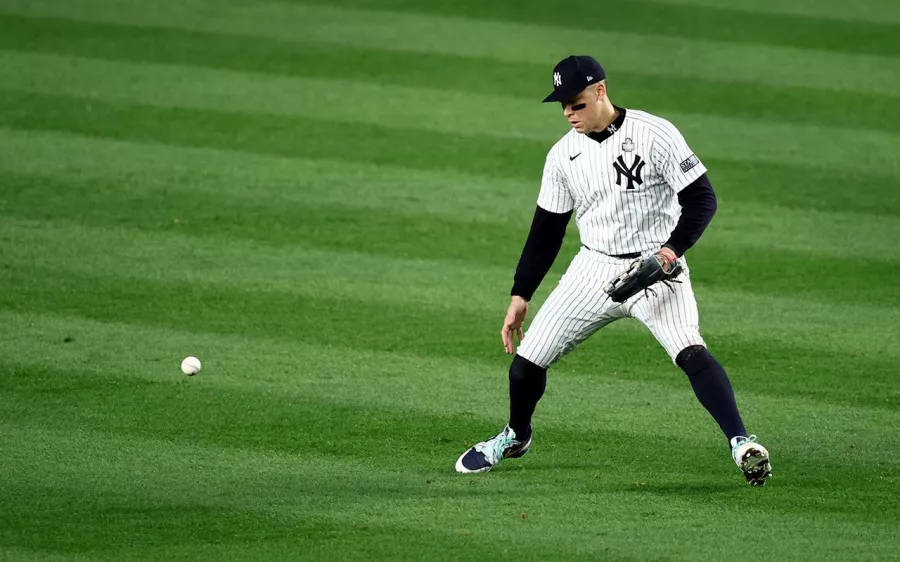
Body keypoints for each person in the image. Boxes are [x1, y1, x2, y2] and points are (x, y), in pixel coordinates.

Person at [455, 55, 772, 486]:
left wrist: (669, 252)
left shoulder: (655, 133)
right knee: (526, 365)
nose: (569, 111)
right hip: (593, 267)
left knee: (691, 351)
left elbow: (702, 200)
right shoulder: (562, 155)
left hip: (656, 268)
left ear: (601, 91)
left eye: (576, 101)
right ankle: (515, 436)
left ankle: (741, 443)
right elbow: (546, 231)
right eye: (562, 104)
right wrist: (520, 294)